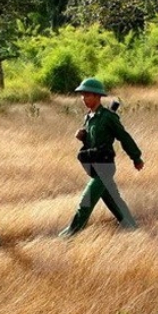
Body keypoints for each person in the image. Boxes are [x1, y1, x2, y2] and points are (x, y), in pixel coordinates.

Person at [59, 77, 143, 237]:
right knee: (113, 200)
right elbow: (93, 141)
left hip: (105, 166)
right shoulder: (89, 117)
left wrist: (136, 158)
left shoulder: (108, 117)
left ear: (98, 96)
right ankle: (131, 227)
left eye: (87, 95)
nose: (84, 99)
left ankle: (71, 233)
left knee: (86, 202)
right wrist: (82, 137)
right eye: (82, 95)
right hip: (93, 166)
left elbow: (124, 137)